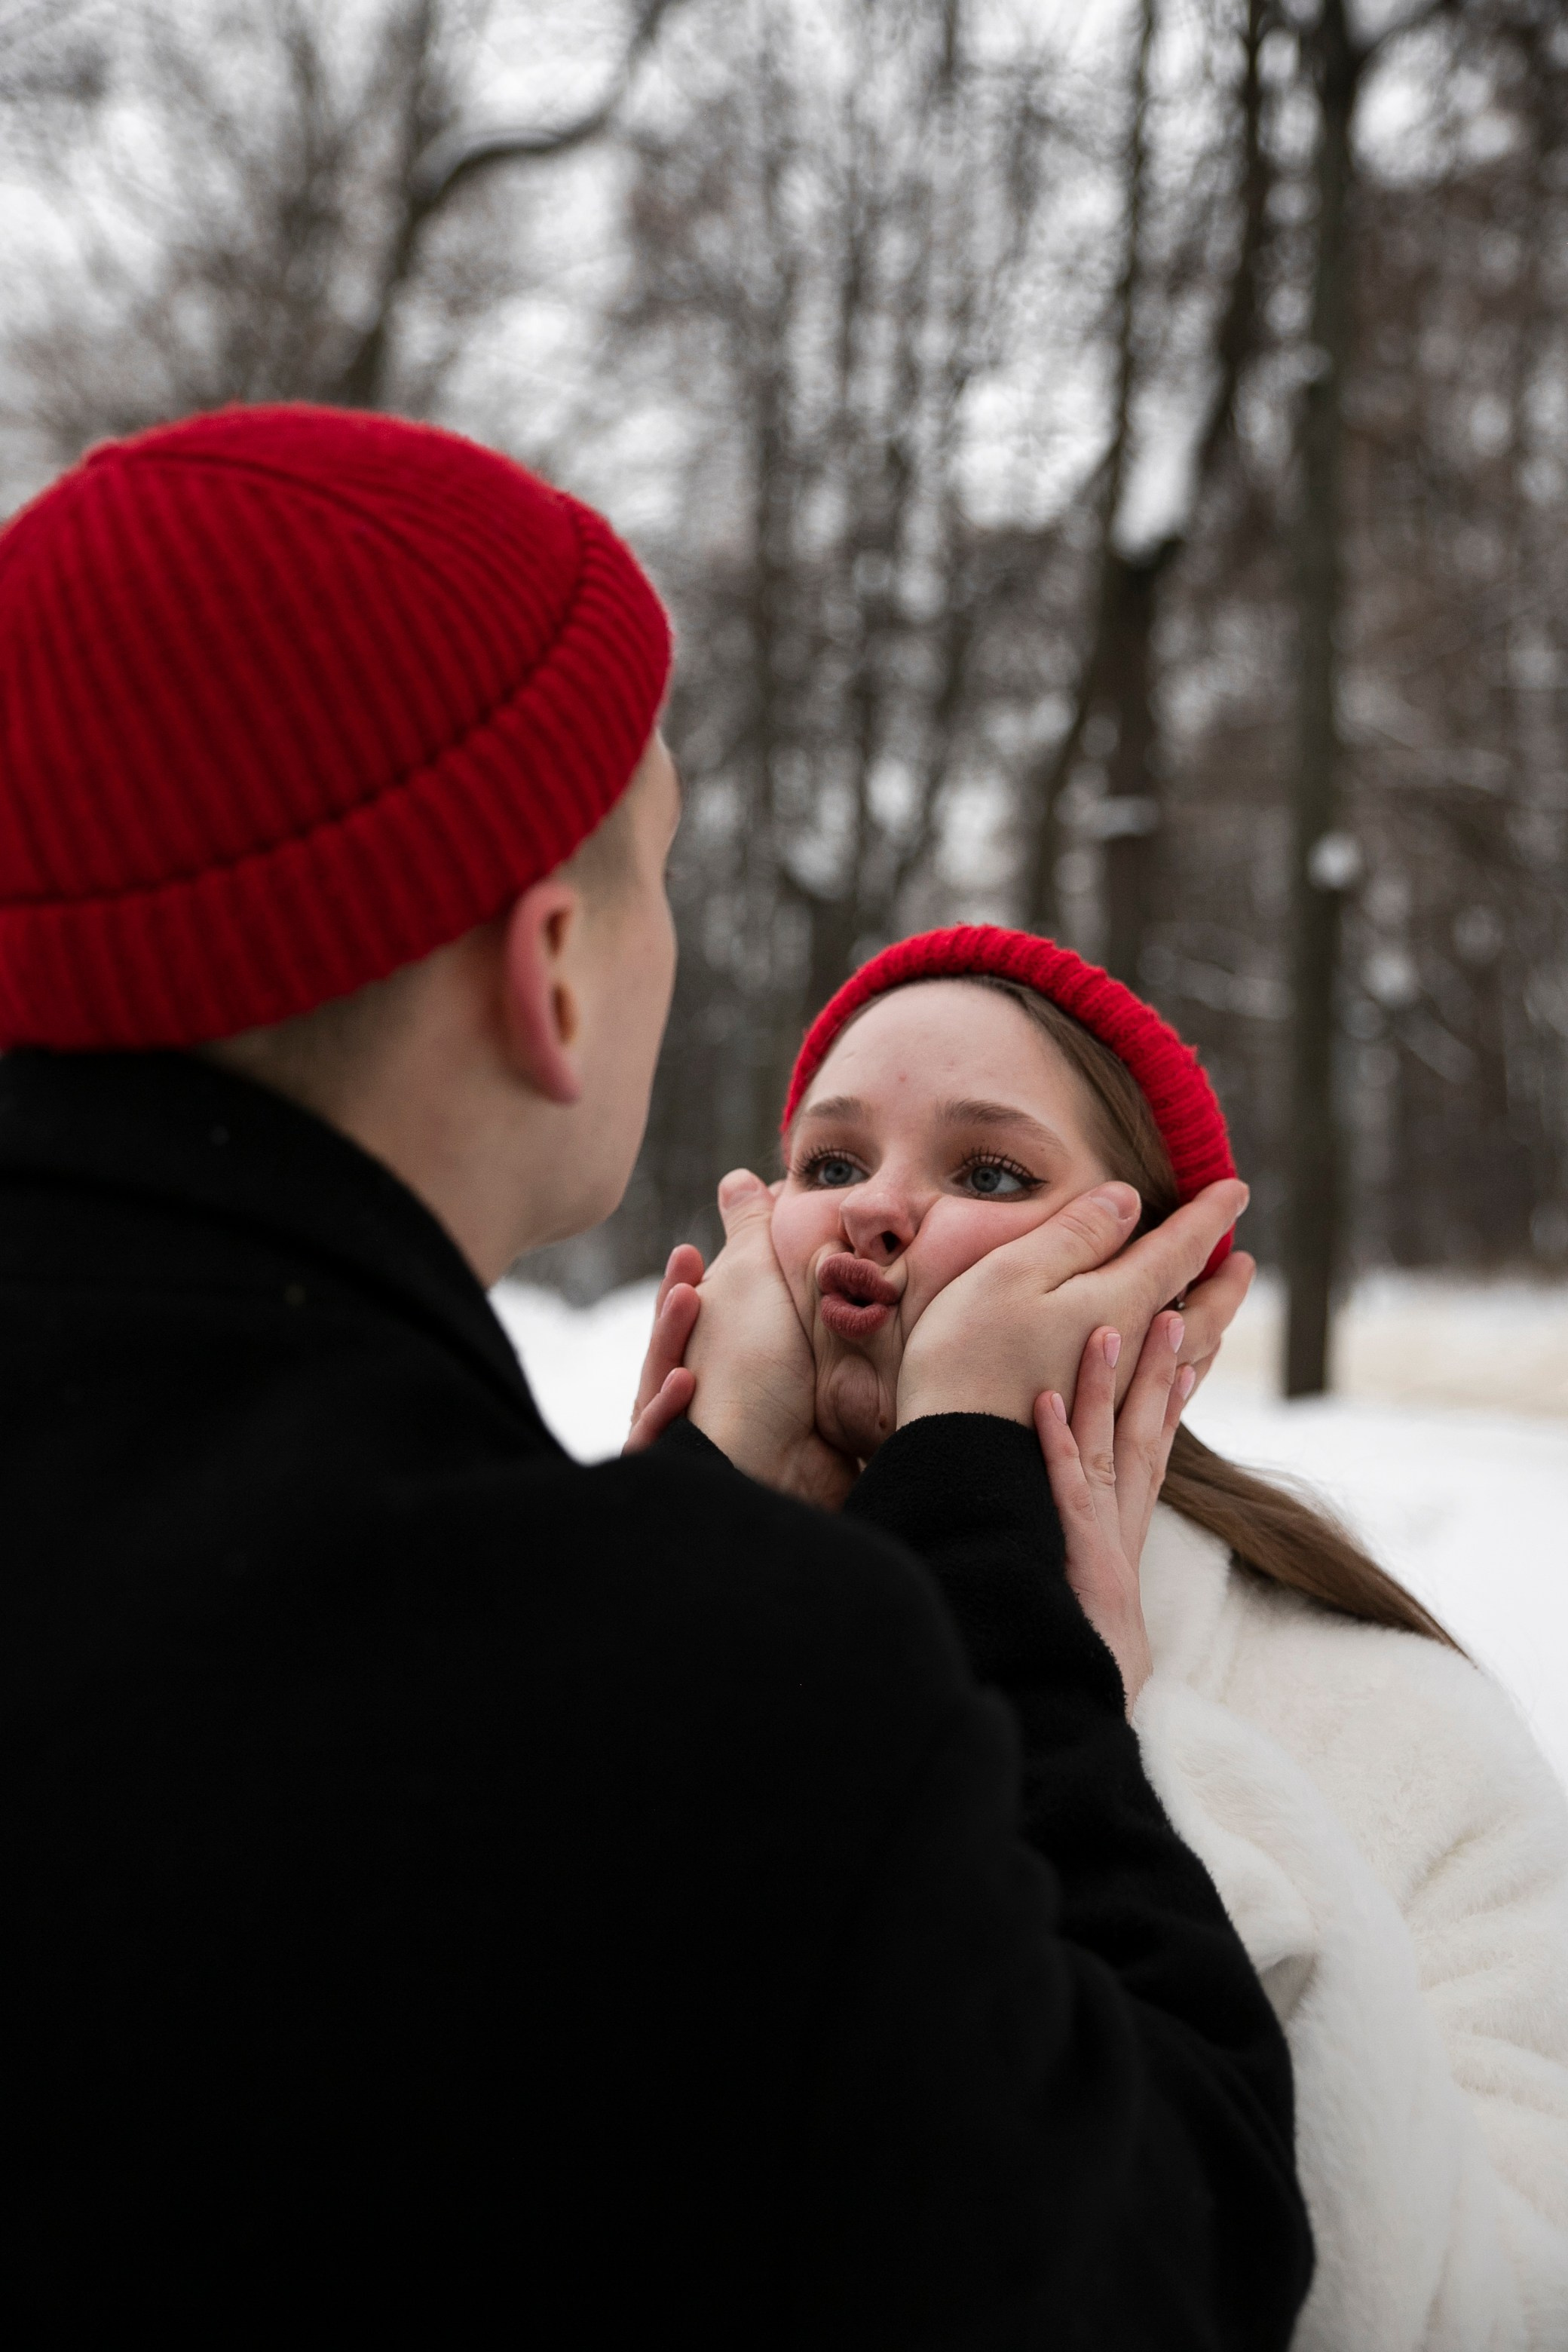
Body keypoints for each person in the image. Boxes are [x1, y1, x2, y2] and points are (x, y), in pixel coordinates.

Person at [0, 409, 1312, 2340]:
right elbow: (1166, 2245)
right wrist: (975, 1561)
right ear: (548, 972)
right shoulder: (709, 1682)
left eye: (988, 1172)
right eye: (656, 867)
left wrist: (697, 1513)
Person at [648, 923, 1568, 2350]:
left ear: (1165, 1299)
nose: (872, 1215)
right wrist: (661, 1565)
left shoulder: (1398, 1726)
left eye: (989, 1172)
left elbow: (1493, 2305)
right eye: (831, 1164)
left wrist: (1127, 1736)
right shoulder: (654, 1610)